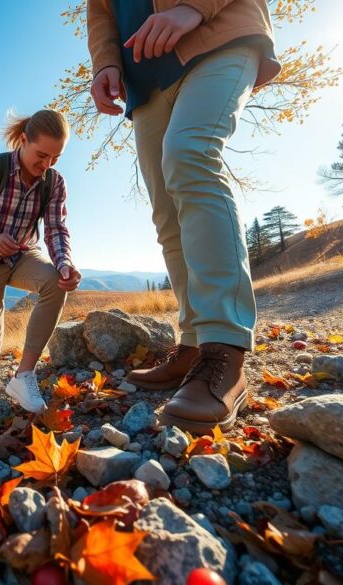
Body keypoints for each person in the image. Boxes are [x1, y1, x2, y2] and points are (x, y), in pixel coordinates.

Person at [86, 0, 281, 433]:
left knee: (190, 157)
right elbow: (101, 11)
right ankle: (192, 343)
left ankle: (224, 349)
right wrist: (105, 64)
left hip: (219, 36)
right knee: (166, 211)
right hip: (145, 76)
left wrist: (193, 7)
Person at [0, 109, 82, 413]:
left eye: (55, 158)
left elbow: (57, 229)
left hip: (23, 255)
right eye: (41, 155)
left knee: (55, 283)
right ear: (23, 140)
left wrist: (64, 263)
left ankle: (24, 375)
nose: (46, 164)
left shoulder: (54, 183)